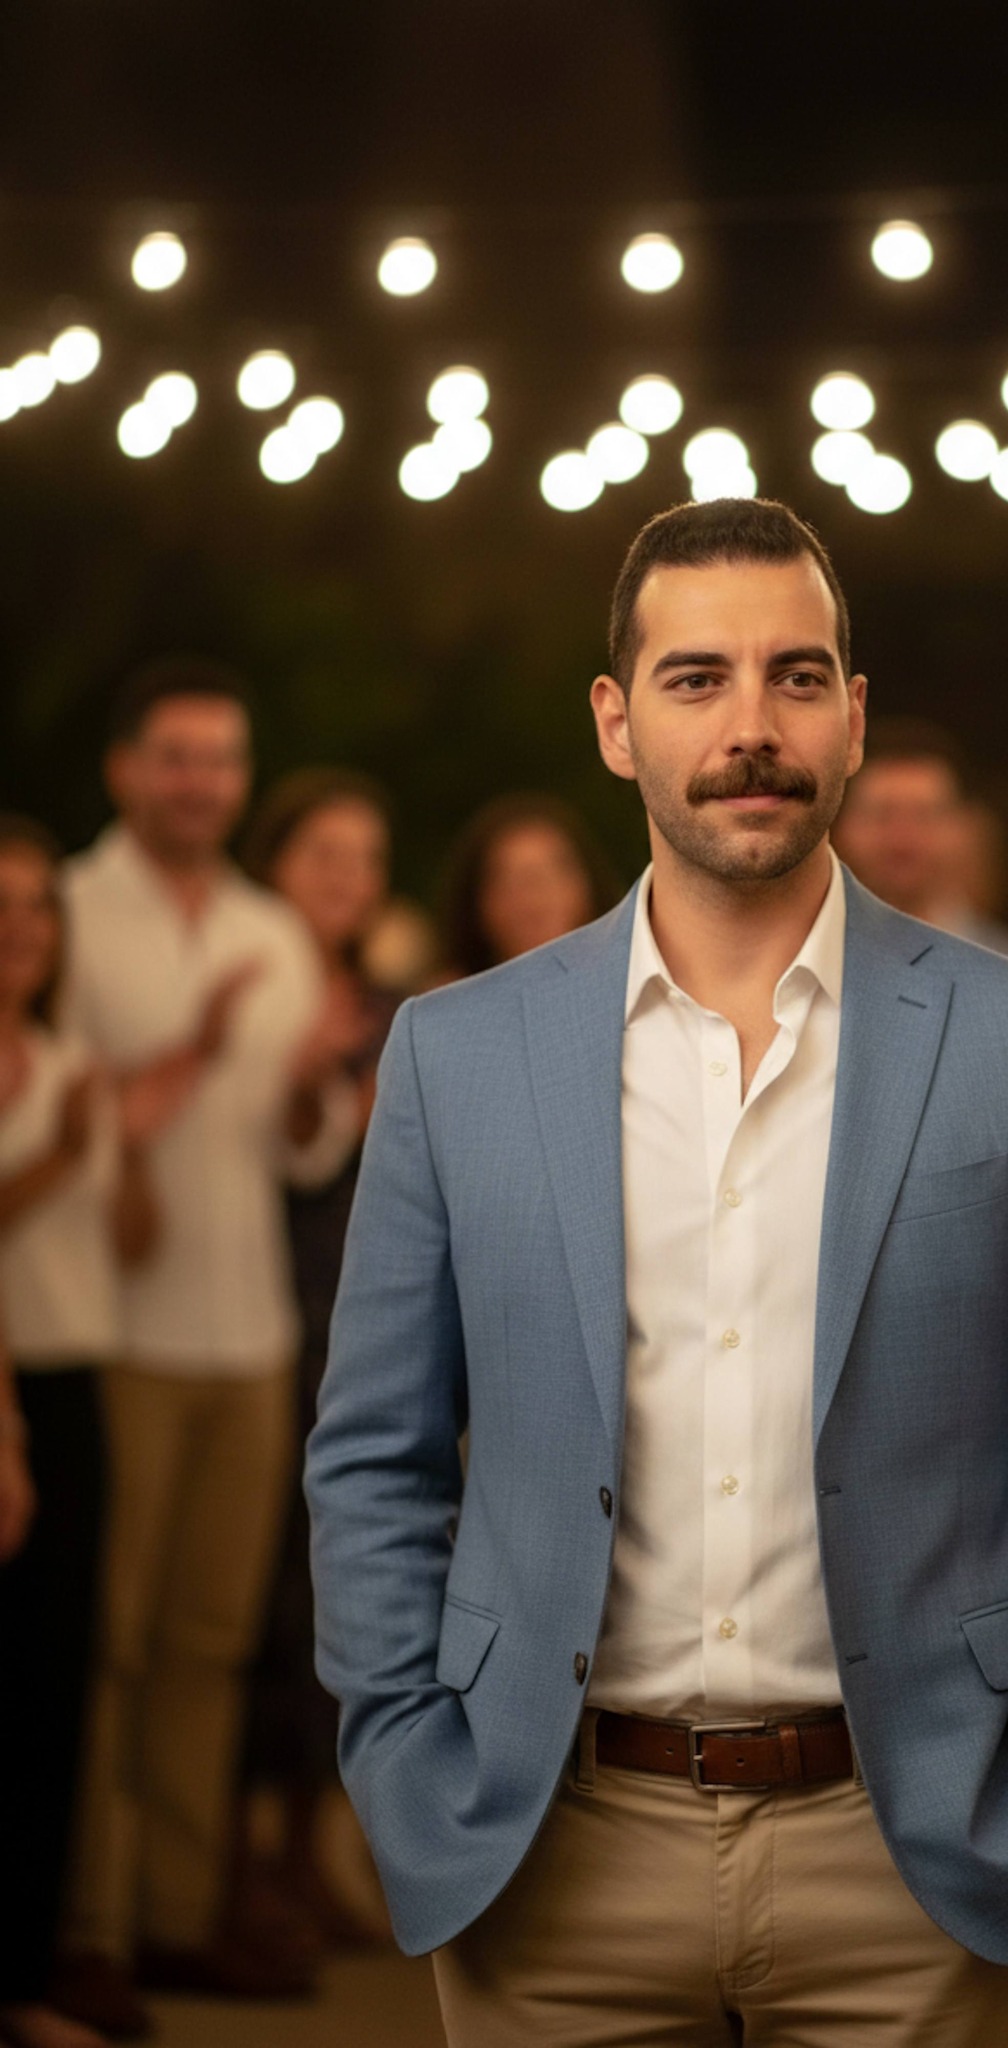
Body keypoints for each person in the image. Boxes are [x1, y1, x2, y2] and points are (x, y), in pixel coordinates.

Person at [307, 495, 1008, 2047]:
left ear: (852, 720)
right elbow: (373, 1457)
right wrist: (406, 1768)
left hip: (920, 1855)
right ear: (615, 722)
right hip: (547, 1856)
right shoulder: (455, 1055)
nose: (750, 725)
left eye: (796, 677)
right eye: (695, 678)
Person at [55, 661, 355, 2028]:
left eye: (221, 761)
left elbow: (302, 1154)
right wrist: (192, 1046)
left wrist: (302, 1092)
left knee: (214, 1643)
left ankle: (180, 1916)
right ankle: (85, 1924)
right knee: (104, 1649)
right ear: (124, 769)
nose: (200, 782)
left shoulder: (269, 928)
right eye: (174, 757)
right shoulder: (64, 910)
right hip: (113, 1329)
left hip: (251, 1336)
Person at [0, 817, 159, 2048]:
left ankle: (28, 1970)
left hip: (77, 1381)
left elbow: (124, 1247)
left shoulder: (68, 1062)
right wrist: (57, 1158)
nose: (18, 929)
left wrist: (133, 1151)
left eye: (37, 909)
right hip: (4, 1392)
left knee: (55, 1682)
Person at [238, 770, 401, 1952]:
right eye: (321, 855)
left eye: (364, 857)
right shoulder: (248, 982)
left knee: (331, 1584)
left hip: (368, 1322)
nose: (344, 878)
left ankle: (311, 1845)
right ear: (276, 863)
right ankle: (243, 1858)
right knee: (256, 1591)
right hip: (259, 1302)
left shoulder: (395, 1004)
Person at [832, 716, 1008, 960]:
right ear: (841, 826)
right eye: (882, 815)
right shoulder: (798, 958)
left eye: (925, 816)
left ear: (964, 830)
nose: (902, 840)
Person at [436, 793, 619, 981]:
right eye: (510, 883)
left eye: (550, 875)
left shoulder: (634, 989)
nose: (535, 898)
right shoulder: (448, 1004)